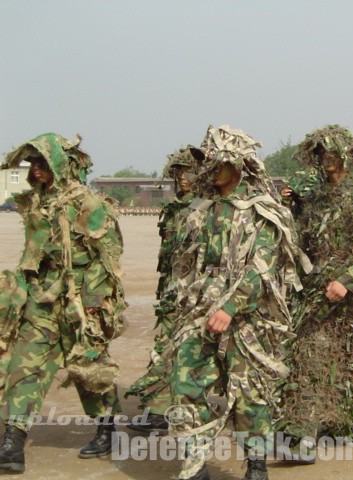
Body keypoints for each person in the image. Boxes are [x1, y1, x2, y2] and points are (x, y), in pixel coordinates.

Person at [161, 125, 310, 480]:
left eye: (219, 161)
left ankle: (256, 465)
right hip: (199, 312)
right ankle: (195, 466)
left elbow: (262, 270)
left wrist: (230, 308)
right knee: (185, 383)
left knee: (249, 396)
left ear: (240, 165)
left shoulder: (264, 212)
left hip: (248, 320)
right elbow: (184, 264)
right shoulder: (200, 209)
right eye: (207, 161)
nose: (211, 167)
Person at [0, 133, 127, 473]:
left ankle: (106, 428)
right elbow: (34, 252)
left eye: (41, 162)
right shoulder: (36, 203)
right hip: (42, 300)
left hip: (80, 302)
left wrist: (93, 303)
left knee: (89, 368)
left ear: (58, 164)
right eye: (32, 163)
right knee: (24, 368)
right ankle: (12, 442)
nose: (35, 169)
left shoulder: (86, 202)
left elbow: (109, 254)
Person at [276, 125, 353, 461]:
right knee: (309, 358)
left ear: (348, 156)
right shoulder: (316, 200)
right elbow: (303, 244)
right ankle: (301, 437)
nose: (326, 159)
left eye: (331, 152)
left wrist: (348, 280)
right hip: (318, 297)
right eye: (320, 153)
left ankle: (352, 426)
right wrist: (292, 208)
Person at [125, 145, 203, 434]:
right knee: (167, 347)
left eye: (189, 172)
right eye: (178, 172)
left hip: (198, 294)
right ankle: (160, 411)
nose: (184, 177)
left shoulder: (206, 207)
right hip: (172, 293)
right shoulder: (174, 209)